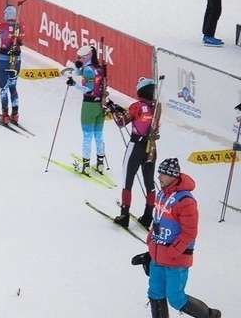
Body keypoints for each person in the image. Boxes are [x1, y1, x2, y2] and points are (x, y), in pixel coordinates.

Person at [131, 158, 223, 318]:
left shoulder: (186, 201)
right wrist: (151, 246)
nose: (158, 177)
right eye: (159, 173)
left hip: (176, 260)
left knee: (176, 299)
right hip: (158, 257)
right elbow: (158, 221)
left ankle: (210, 315)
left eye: (162, 174)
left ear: (173, 176)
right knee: (155, 292)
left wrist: (173, 252)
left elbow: (190, 232)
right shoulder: (161, 194)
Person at [111, 77, 158, 229]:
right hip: (150, 147)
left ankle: (124, 215)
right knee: (149, 183)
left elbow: (121, 122)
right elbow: (144, 121)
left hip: (136, 146)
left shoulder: (136, 106)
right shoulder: (155, 107)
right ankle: (148, 216)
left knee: (127, 181)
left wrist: (113, 111)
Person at [66, 45, 109, 175]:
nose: (80, 59)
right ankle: (100, 163)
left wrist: (74, 84)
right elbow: (79, 71)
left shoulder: (87, 70)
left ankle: (86, 166)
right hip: (100, 105)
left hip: (89, 106)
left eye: (82, 57)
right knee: (99, 135)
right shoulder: (99, 68)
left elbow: (88, 89)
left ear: (88, 56)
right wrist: (76, 65)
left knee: (87, 136)